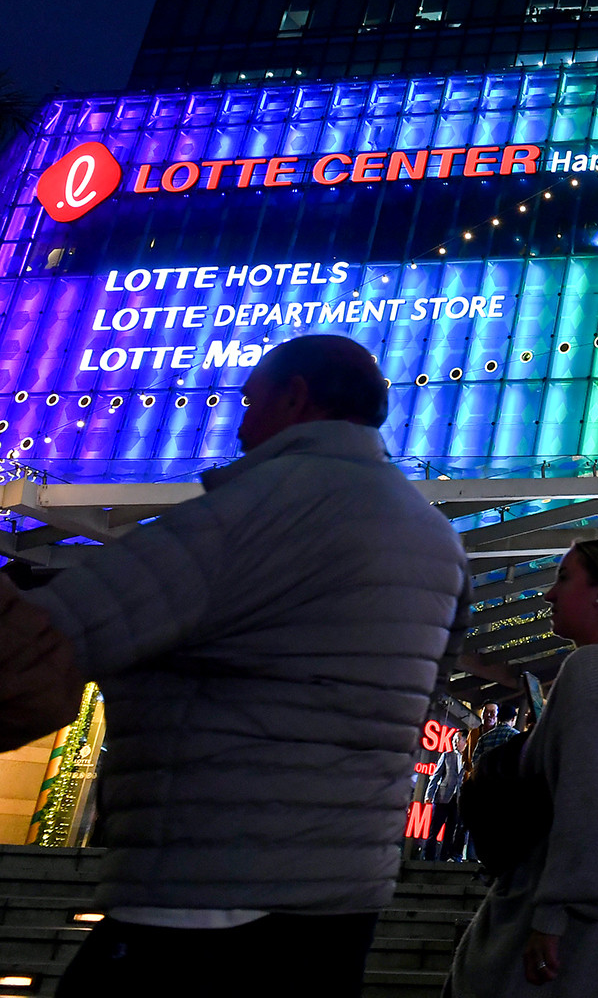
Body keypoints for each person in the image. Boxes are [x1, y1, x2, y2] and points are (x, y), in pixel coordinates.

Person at [0, 334, 470, 998]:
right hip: (345, 891)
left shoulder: (257, 509)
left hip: (206, 880)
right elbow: (423, 696)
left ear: (295, 397)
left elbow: (53, 640)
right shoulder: (437, 540)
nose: (241, 426)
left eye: (250, 403)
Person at [451, 538, 598, 997]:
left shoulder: (590, 669)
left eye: (564, 578)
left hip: (561, 945)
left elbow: (583, 799)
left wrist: (551, 917)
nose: (549, 594)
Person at [425, 740, 467, 860]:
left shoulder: (468, 759)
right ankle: (429, 858)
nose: (455, 742)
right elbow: (436, 775)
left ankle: (444, 858)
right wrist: (429, 794)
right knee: (434, 830)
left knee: (450, 832)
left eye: (458, 739)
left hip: (458, 800)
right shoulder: (447, 755)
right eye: (454, 739)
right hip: (442, 798)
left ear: (465, 741)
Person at [471, 702, 524, 773]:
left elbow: (475, 761)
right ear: (513, 718)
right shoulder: (516, 736)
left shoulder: (484, 737)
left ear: (498, 717)